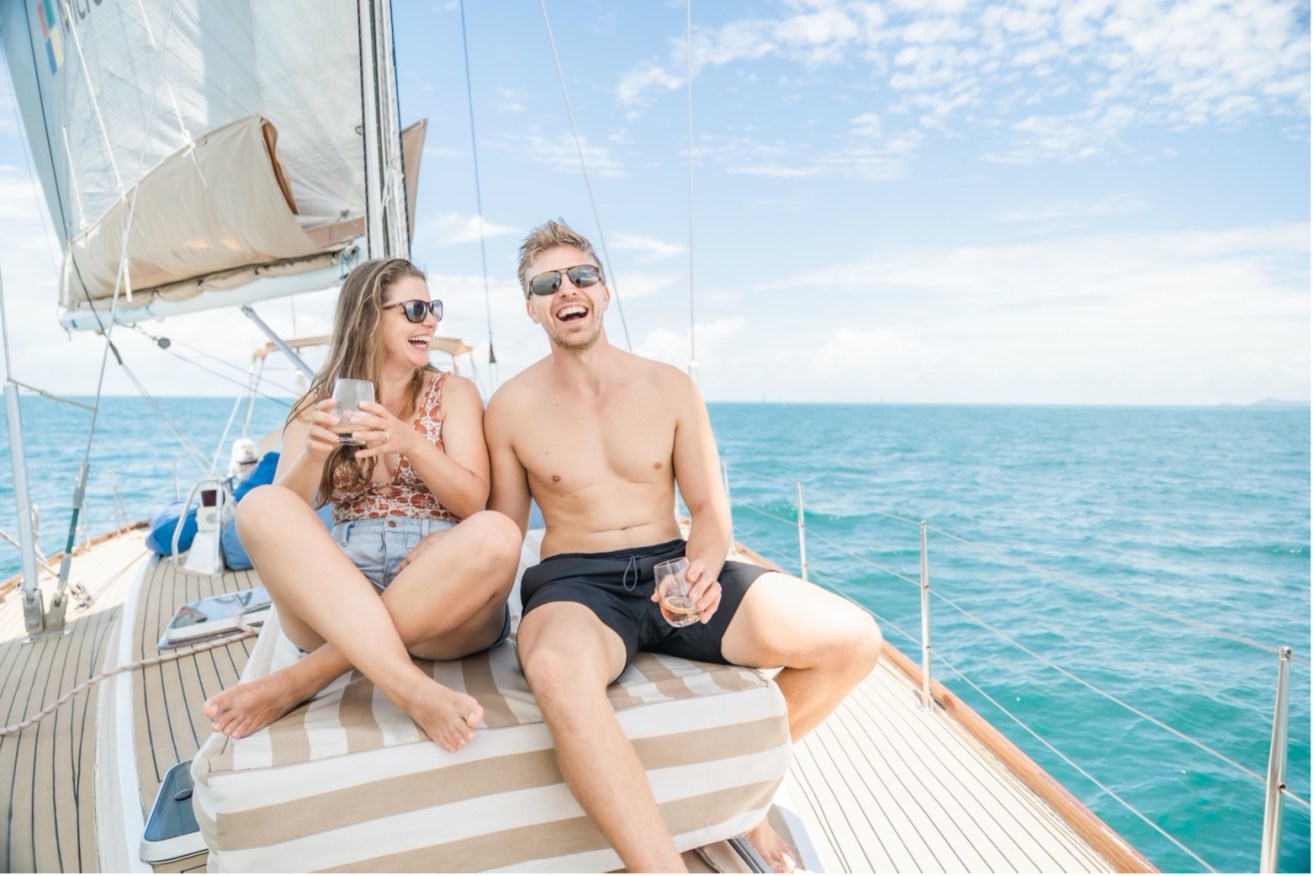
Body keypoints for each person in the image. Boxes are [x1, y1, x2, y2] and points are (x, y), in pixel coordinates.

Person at [484, 219, 884, 871]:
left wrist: (701, 568)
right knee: (557, 674)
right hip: (576, 586)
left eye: (581, 275)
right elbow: (503, 528)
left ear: (604, 291)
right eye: (546, 283)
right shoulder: (508, 406)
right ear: (530, 307)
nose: (567, 289)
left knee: (852, 640)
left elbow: (706, 507)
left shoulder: (668, 386)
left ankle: (735, 797)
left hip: (674, 567)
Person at [204, 257, 521, 752]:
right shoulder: (319, 404)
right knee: (258, 504)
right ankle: (411, 689)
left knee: (499, 534)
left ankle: (303, 678)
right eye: (416, 309)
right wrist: (313, 455)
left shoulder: (453, 392)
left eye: (432, 308)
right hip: (344, 590)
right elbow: (283, 517)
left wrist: (410, 442)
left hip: (444, 597)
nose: (431, 321)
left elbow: (474, 501)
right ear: (371, 315)